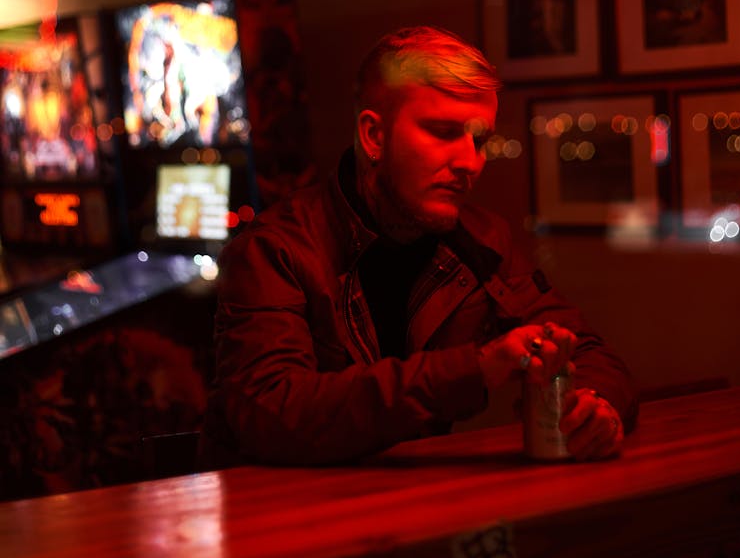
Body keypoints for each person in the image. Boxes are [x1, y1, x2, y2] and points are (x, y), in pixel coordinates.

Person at [200, 26, 637, 468]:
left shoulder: (483, 241)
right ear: (374, 136)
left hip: (401, 503)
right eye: (444, 132)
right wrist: (475, 369)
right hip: (270, 515)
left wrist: (594, 406)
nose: (470, 162)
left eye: (479, 140)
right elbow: (271, 414)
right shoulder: (274, 250)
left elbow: (589, 351)